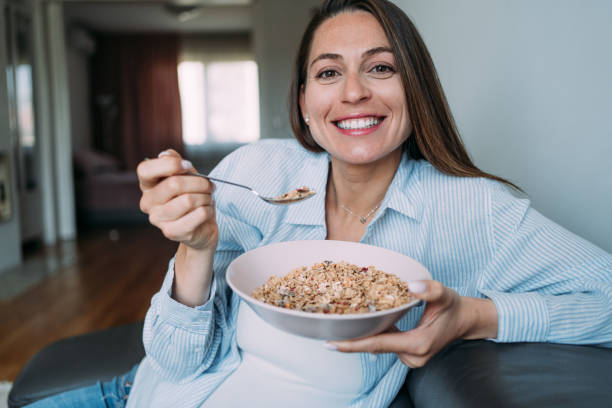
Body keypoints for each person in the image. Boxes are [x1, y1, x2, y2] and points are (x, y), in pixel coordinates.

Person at [27, 0, 612, 407]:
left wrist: (473, 317)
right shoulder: (257, 171)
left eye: (380, 67)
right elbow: (177, 364)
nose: (353, 91)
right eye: (328, 72)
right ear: (305, 102)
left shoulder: (473, 211)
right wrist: (195, 248)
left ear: (418, 88)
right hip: (141, 394)